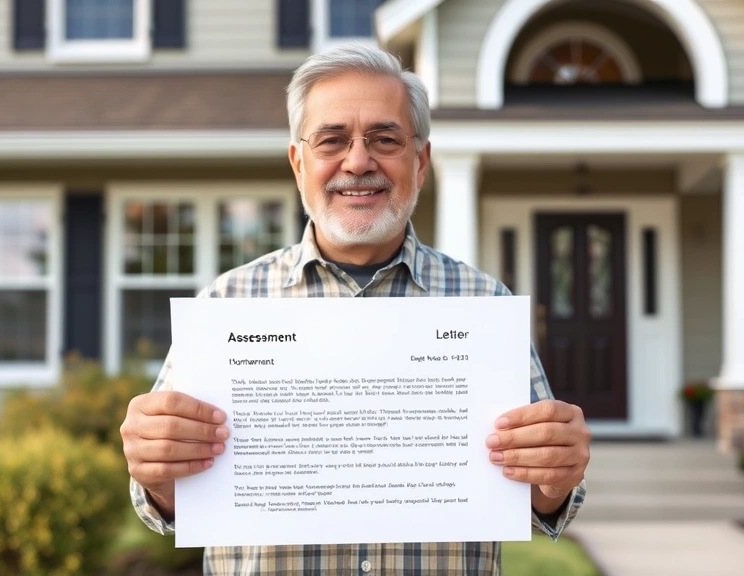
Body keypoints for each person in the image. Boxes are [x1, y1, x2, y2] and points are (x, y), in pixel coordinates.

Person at [120, 43, 591, 575]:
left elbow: (545, 499)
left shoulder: (484, 305)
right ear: (299, 164)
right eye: (332, 140)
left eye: (385, 139)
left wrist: (555, 475)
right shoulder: (226, 305)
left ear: (421, 162)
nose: (359, 160)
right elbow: (165, 500)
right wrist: (157, 472)